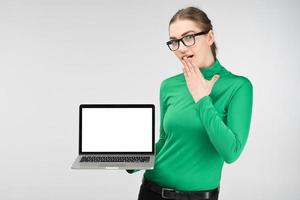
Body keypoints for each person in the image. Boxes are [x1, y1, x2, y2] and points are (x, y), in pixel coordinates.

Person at [126, 6, 253, 200]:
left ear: (210, 37)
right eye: (174, 42)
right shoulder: (169, 85)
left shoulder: (238, 87)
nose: (182, 48)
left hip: (199, 196)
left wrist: (202, 98)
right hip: (151, 191)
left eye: (189, 37)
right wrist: (131, 160)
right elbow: (164, 140)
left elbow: (231, 152)